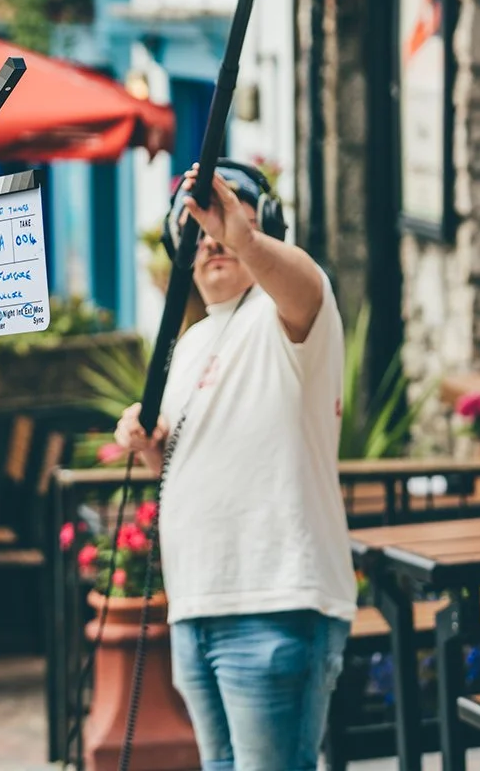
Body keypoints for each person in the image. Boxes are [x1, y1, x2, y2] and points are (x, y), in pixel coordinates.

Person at [114, 161, 354, 771]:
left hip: (275, 598)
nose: (213, 239)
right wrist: (148, 448)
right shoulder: (189, 344)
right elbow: (179, 467)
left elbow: (307, 284)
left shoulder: (287, 314)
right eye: (197, 230)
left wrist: (246, 239)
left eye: (228, 222)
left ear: (263, 228)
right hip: (198, 602)